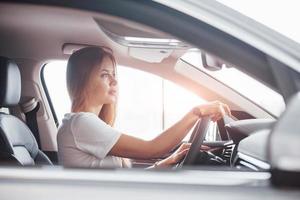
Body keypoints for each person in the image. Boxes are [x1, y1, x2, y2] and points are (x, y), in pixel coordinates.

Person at [57, 46, 231, 169]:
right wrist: (196, 112)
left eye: (114, 74)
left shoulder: (85, 125)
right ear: (82, 80)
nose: (115, 81)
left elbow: (122, 186)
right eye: (105, 75)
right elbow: (153, 148)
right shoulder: (80, 123)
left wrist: (168, 161)